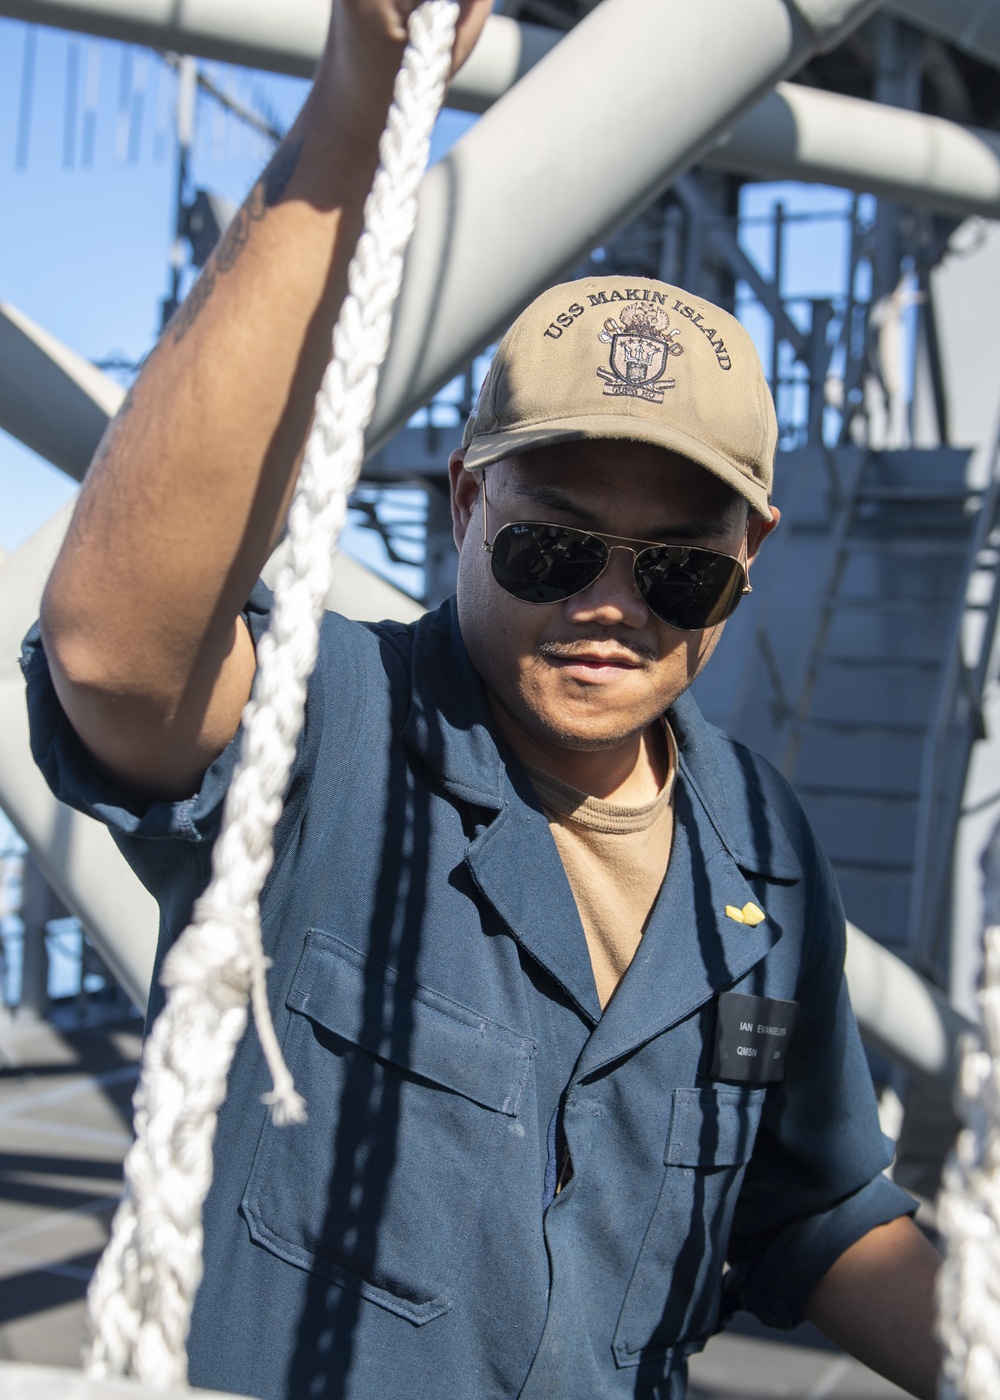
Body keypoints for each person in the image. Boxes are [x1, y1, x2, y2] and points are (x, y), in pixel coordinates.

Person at [21, 2, 942, 1396]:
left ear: (748, 571)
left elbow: (814, 1210)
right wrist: (354, 106)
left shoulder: (764, 851)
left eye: (677, 574)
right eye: (553, 546)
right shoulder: (326, 736)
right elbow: (115, 655)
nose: (610, 606)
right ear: (466, 506)